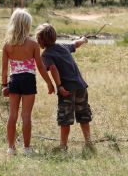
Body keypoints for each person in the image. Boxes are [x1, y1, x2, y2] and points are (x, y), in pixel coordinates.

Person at [2, 9, 54, 155]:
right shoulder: (33, 45)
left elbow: (4, 69)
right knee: (26, 116)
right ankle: (26, 148)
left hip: (14, 80)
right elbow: (41, 67)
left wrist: (4, 85)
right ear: (27, 25)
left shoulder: (7, 44)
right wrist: (49, 83)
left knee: (12, 115)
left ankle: (11, 148)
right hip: (28, 80)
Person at [35, 23, 93, 152]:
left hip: (66, 89)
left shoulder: (46, 55)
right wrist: (83, 39)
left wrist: (58, 86)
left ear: (40, 40)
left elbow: (53, 68)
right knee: (83, 115)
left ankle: (63, 145)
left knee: (65, 119)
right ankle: (88, 142)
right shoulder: (63, 46)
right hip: (81, 86)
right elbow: (75, 44)